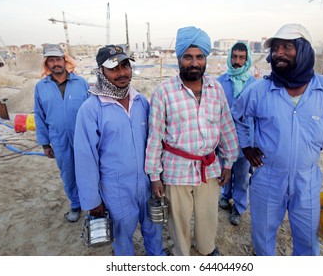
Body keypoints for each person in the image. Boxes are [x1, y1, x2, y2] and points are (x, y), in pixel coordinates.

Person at [231, 23, 323, 255]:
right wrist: (247, 145)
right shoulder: (260, 90)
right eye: (275, 49)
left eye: (287, 47)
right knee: (262, 237)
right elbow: (237, 115)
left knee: (307, 239)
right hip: (268, 177)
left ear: (303, 50)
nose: (278, 53)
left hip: (307, 179)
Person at [145, 26, 239, 256]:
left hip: (209, 166)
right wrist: (154, 176)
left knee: (208, 215)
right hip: (176, 169)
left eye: (199, 57)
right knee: (179, 219)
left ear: (205, 59)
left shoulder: (215, 88)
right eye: (188, 57)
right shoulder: (163, 92)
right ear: (179, 59)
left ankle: (206, 249)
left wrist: (228, 163)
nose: (194, 63)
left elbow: (226, 126)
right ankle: (182, 255)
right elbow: (155, 136)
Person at [73, 45, 165, 256]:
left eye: (125, 65)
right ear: (101, 72)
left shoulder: (141, 101)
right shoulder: (91, 109)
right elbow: (85, 158)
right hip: (115, 188)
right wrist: (93, 200)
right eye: (113, 68)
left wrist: (156, 176)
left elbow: (154, 141)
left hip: (146, 181)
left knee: (154, 228)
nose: (122, 73)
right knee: (122, 235)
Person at [34, 44, 89, 222]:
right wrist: (45, 144)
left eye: (58, 59)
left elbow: (93, 112)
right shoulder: (40, 87)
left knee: (88, 171)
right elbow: (39, 116)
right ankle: (75, 205)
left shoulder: (81, 83)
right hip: (58, 140)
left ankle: (93, 203)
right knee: (68, 173)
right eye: (51, 60)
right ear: (46, 64)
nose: (56, 63)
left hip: (83, 138)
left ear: (64, 61)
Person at [217, 42, 256, 226]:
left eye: (241, 57)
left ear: (247, 59)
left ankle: (239, 207)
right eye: (234, 57)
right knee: (225, 170)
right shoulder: (220, 82)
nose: (237, 62)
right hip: (223, 139)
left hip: (244, 142)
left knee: (241, 176)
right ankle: (225, 196)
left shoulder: (254, 85)